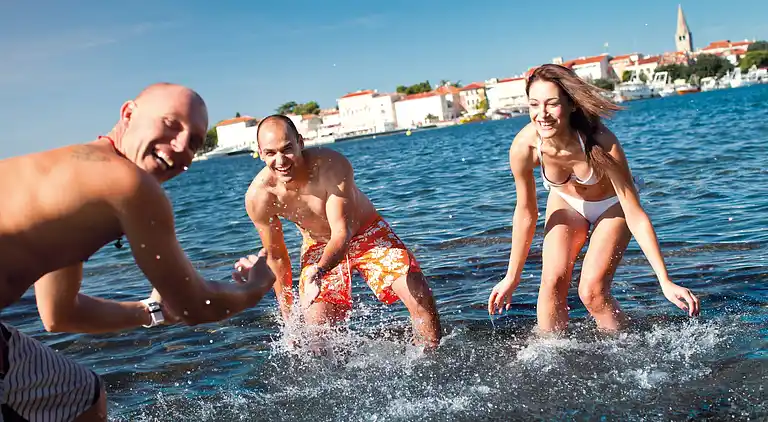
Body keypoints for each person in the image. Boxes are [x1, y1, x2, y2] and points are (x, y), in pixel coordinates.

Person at [0, 83, 275, 421]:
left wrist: (151, 311)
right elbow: (196, 307)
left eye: (194, 142)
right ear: (128, 113)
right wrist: (257, 285)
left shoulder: (71, 182)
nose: (180, 146)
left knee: (80, 395)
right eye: (170, 124)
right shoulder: (128, 184)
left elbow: (59, 313)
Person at [487, 64, 700, 332]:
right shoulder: (525, 147)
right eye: (534, 105)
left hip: (612, 205)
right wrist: (512, 277)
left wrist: (664, 280)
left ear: (571, 104)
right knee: (552, 283)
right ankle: (549, 350)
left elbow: (634, 212)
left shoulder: (601, 141)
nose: (542, 114)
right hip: (566, 202)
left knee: (592, 291)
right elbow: (526, 213)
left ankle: (624, 345)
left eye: (552, 104)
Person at [240, 114, 442, 349]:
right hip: (318, 245)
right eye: (271, 153)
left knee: (419, 294)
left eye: (287, 149)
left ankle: (432, 358)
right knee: (316, 333)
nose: (280, 160)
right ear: (260, 153)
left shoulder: (330, 166)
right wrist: (289, 319)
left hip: (367, 233)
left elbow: (341, 233)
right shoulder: (259, 197)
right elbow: (276, 257)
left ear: (300, 143)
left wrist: (319, 270)